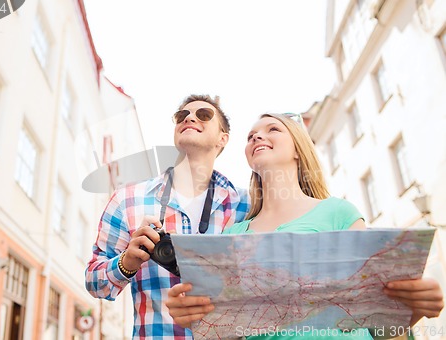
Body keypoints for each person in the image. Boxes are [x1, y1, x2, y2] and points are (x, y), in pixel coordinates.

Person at [166, 113, 444, 339]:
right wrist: (196, 319)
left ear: (298, 149)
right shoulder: (232, 235)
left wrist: (414, 309)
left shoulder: (339, 213)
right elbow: (228, 334)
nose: (257, 137)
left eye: (273, 129)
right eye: (250, 136)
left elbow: (379, 327)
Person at [85, 94, 249, 339]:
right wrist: (126, 263)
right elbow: (94, 283)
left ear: (222, 138)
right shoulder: (127, 200)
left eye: (204, 115)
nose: (190, 117)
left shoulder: (245, 205)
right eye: (182, 115)